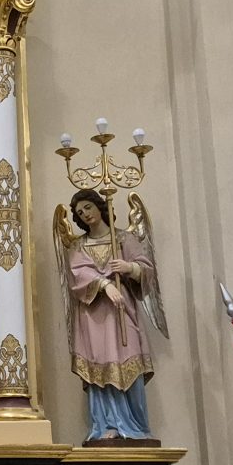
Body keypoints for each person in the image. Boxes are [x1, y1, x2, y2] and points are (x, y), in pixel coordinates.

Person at [57, 188, 158, 440]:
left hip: (123, 312)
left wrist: (129, 267)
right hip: (94, 317)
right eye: (80, 212)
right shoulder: (79, 246)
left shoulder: (123, 238)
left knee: (129, 361)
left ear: (99, 206)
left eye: (88, 207)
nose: (85, 214)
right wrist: (104, 284)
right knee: (100, 365)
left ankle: (135, 426)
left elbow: (147, 270)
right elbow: (78, 275)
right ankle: (106, 424)